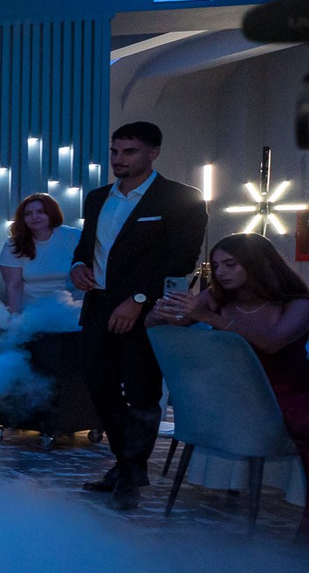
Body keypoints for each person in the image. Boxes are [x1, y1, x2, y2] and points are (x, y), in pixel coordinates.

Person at [69, 121, 209, 509]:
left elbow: (181, 259)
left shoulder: (182, 198)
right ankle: (127, 464)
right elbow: (86, 245)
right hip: (98, 305)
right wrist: (78, 265)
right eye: (115, 151)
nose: (119, 159)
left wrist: (139, 298)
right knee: (98, 386)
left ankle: (130, 473)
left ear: (153, 153)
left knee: (142, 393)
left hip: (145, 310)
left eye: (129, 152)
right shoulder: (98, 197)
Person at [148, 234, 309, 542]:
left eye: (230, 264)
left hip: (289, 390)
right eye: (218, 265)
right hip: (240, 399)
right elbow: (157, 328)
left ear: (257, 264)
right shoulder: (216, 298)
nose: (221, 272)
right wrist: (160, 312)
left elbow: (272, 343)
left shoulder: (299, 304)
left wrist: (206, 316)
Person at [0, 192, 77, 312]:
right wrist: (14, 318)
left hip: (72, 309)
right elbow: (14, 287)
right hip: (31, 312)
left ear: (51, 213)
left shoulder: (74, 236)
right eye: (28, 214)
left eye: (40, 212)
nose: (34, 217)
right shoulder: (13, 244)